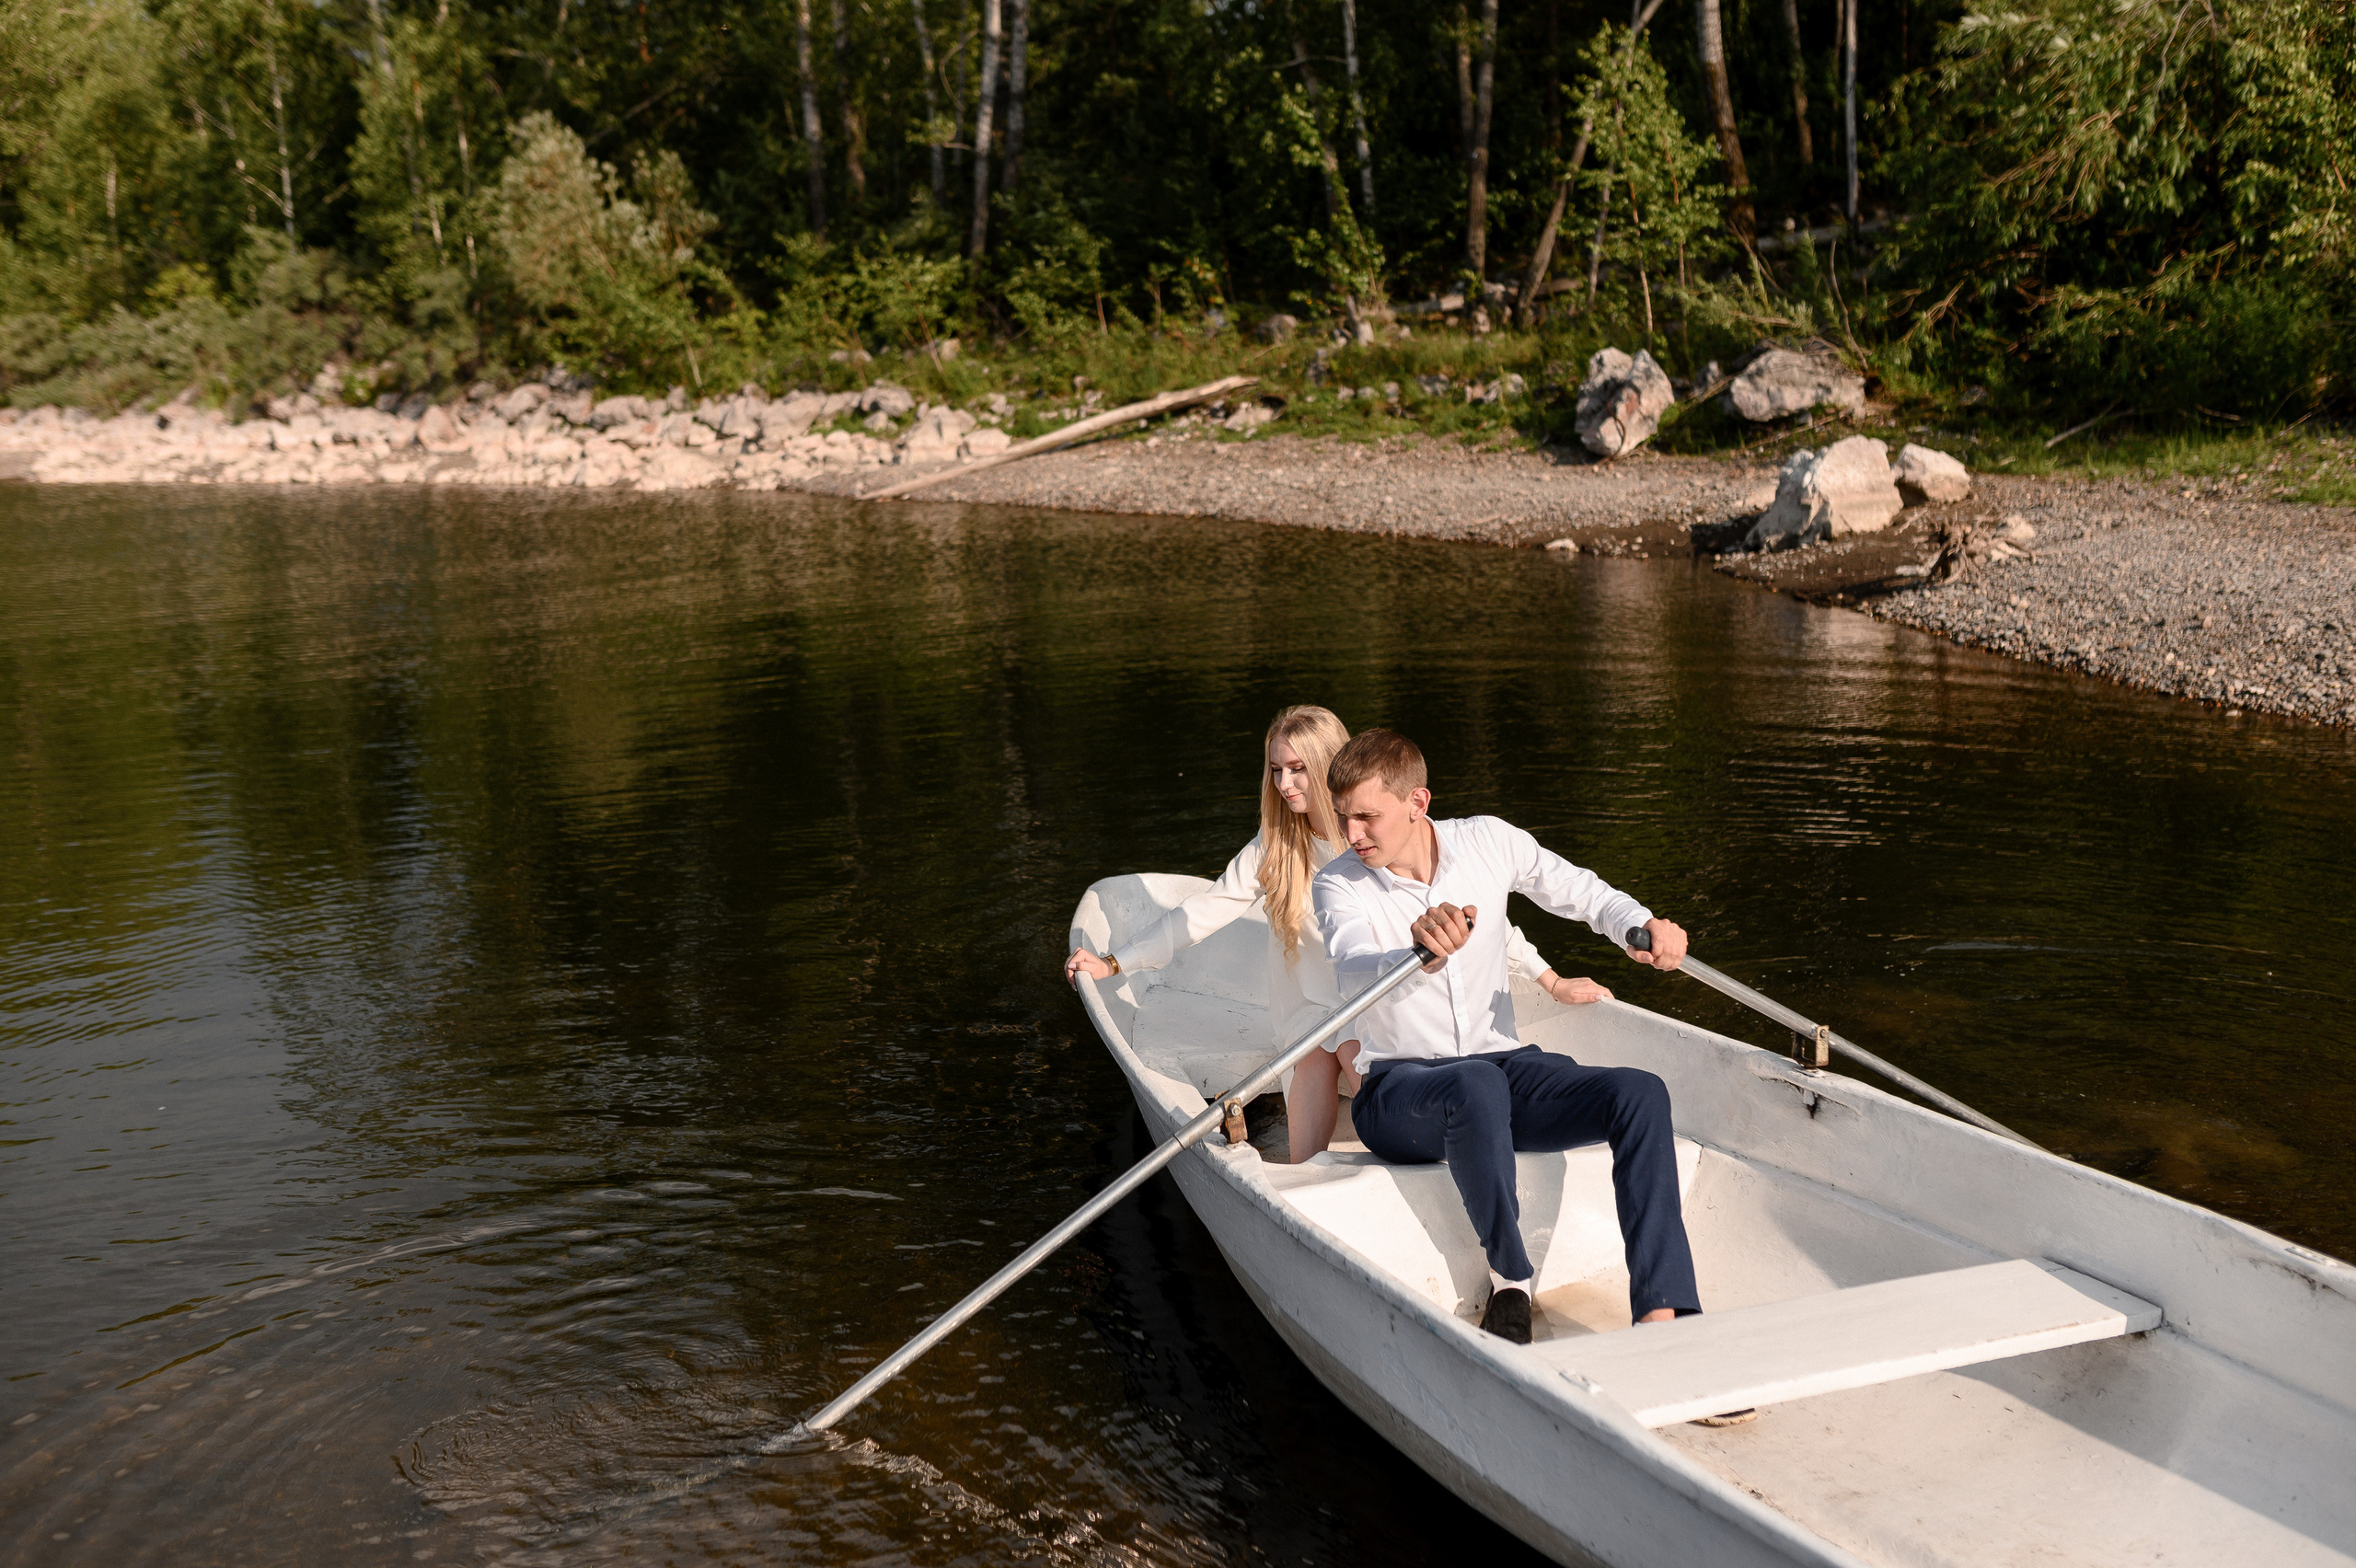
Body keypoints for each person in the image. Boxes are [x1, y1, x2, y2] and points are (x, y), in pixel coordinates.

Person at [1068, 706, 1601, 1164]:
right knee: (1318, 1053)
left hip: (1371, 996)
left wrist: (1550, 980)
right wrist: (1117, 962)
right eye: (1276, 770)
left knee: (1356, 1044)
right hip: (1306, 997)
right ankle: (1306, 1182)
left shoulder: (1385, 841)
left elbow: (1479, 921)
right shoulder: (1275, 844)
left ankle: (1423, 1158)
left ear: (1329, 767)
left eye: (1299, 769)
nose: (1284, 784)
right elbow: (1206, 909)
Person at [1311, 727, 1699, 1345]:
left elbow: (1579, 891)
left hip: (1500, 1067)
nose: (1352, 835)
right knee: (1475, 1084)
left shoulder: (1488, 841)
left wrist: (1637, 925)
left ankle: (1664, 1314)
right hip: (1396, 1091)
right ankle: (1511, 1282)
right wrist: (1416, 955)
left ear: (1418, 803)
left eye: (1367, 817)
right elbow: (1354, 964)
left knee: (1640, 1091)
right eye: (1343, 818)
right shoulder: (1338, 884)